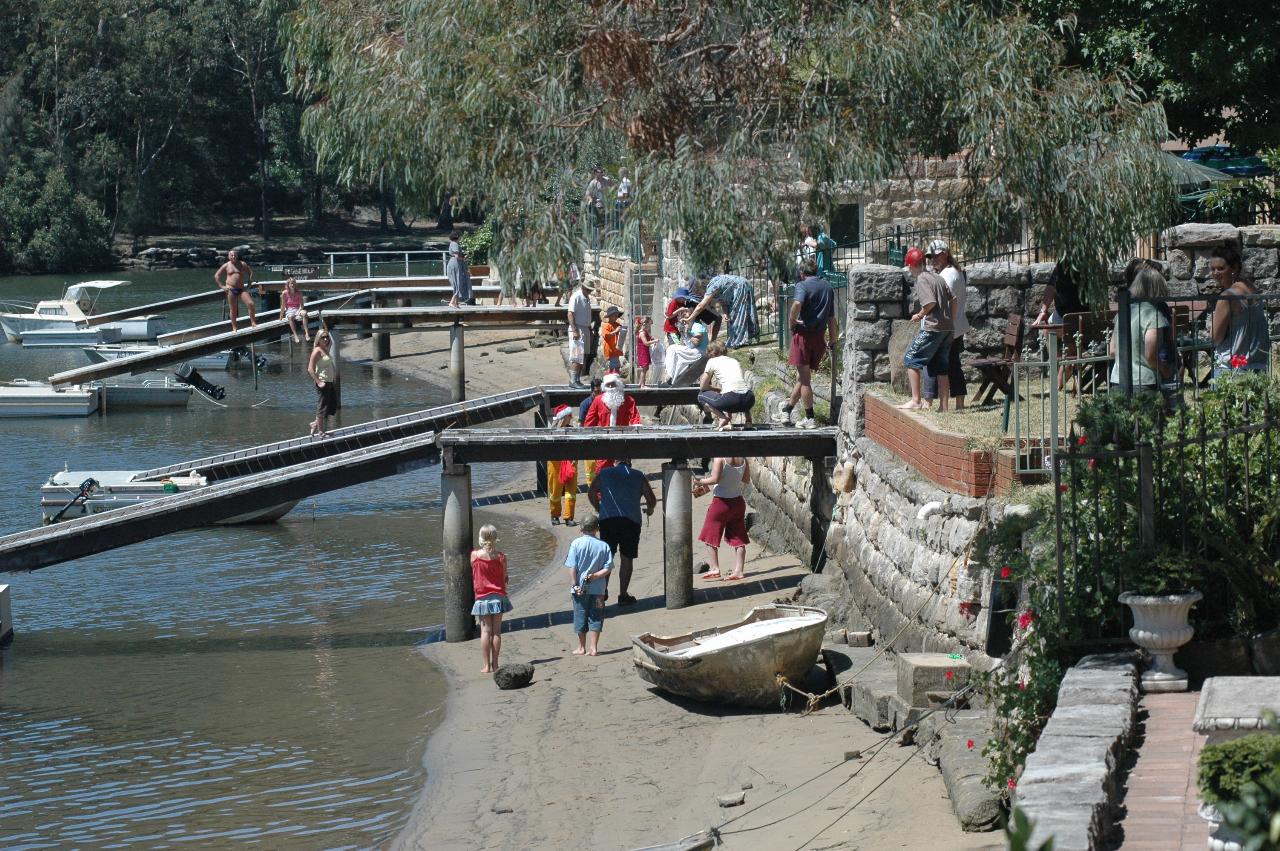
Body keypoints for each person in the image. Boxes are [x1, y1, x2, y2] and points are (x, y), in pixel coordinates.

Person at [773, 257, 838, 428]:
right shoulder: (828, 287)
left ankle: (810, 418)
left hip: (803, 336)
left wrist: (791, 321)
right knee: (802, 378)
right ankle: (787, 409)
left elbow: (796, 304)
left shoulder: (801, 285)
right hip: (819, 337)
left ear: (802, 273)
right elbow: (831, 317)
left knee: (805, 380)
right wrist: (833, 339)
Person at [588, 459, 657, 606]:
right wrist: (649, 511)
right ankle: (623, 594)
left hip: (608, 521)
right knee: (627, 558)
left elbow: (592, 492)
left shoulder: (604, 473)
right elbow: (651, 499)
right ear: (629, 462)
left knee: (607, 557)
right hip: (630, 521)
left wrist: (599, 509)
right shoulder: (638, 475)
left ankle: (603, 591)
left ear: (615, 462)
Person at [899, 247, 954, 411]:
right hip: (947, 328)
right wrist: (950, 318)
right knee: (941, 367)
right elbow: (953, 299)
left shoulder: (922, 279)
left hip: (933, 327)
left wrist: (920, 314)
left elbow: (930, 303)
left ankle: (916, 401)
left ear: (910, 266)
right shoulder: (937, 277)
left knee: (911, 359)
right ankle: (944, 407)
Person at [1209, 244, 1269, 379]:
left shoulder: (1227, 297)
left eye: (1220, 268)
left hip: (1231, 370)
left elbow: (1215, 338)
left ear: (1234, 268)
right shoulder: (1252, 289)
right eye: (1212, 269)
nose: (1215, 273)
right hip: (1258, 366)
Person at [1108, 266, 1170, 393]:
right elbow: (1150, 355)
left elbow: (1112, 350)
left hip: (1118, 379)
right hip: (1144, 381)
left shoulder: (1122, 313)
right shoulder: (1154, 315)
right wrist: (1165, 369)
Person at [923, 239, 967, 409]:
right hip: (953, 327)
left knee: (933, 364)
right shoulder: (954, 272)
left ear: (945, 254)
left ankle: (930, 402)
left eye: (936, 256)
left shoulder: (947, 275)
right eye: (931, 257)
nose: (933, 260)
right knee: (953, 365)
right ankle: (958, 403)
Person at [694, 456, 751, 581]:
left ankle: (715, 568)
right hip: (737, 501)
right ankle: (739, 571)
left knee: (709, 536)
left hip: (721, 502)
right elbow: (746, 479)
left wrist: (700, 481)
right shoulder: (743, 459)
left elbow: (715, 479)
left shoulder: (720, 458)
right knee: (739, 538)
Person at [565, 514, 612, 656]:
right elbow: (608, 567)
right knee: (596, 616)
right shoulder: (603, 546)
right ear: (597, 528)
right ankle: (594, 647)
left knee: (580, 615)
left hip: (580, 588)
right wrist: (596, 576)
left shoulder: (576, 544)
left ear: (581, 529)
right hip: (598, 589)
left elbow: (572, 566)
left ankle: (581, 647)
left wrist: (574, 585)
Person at [470, 524, 512, 673]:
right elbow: (504, 577)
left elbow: (473, 571)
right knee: (496, 632)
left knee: (485, 632)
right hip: (498, 597)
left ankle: (486, 665)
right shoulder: (501, 557)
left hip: (482, 598)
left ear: (481, 538)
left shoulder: (474, 555)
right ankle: (495, 664)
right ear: (495, 538)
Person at [688, 273, 759, 348]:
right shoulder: (714, 283)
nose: (701, 295)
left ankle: (737, 341)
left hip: (740, 287)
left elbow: (701, 306)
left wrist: (690, 318)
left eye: (699, 292)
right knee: (740, 313)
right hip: (743, 284)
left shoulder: (711, 287)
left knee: (737, 315)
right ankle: (739, 339)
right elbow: (723, 298)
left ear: (701, 287)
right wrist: (725, 312)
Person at [698, 340, 755, 430]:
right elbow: (736, 388)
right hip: (749, 399)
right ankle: (748, 421)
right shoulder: (734, 361)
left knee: (701, 394)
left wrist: (716, 389)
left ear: (711, 353)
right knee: (736, 392)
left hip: (731, 400)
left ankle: (723, 417)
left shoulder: (712, 361)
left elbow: (703, 386)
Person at [547, 405, 578, 527]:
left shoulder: (573, 429)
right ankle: (554, 515)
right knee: (555, 489)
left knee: (571, 490)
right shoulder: (552, 430)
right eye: (569, 416)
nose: (571, 418)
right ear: (563, 417)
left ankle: (569, 516)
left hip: (570, 461)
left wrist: (574, 459)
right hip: (555, 462)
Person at [662, 307, 710, 386]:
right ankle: (673, 381)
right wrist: (682, 332)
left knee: (672, 349)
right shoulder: (689, 325)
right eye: (683, 315)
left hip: (699, 352)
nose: (684, 317)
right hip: (693, 351)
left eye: (686, 315)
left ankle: (669, 377)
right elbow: (684, 344)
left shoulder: (697, 325)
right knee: (678, 359)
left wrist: (687, 332)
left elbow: (696, 343)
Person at [214, 248, 258, 331]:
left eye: (235, 255)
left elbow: (250, 272)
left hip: (241, 288)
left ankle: (253, 322)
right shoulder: (226, 265)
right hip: (231, 289)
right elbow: (217, 276)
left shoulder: (242, 264)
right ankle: (234, 327)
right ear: (229, 256)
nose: (233, 256)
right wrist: (222, 286)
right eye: (232, 255)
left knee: (251, 304)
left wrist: (249, 283)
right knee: (233, 309)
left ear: (237, 256)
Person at [307, 329, 337, 437]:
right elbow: (310, 369)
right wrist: (318, 381)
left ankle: (315, 424)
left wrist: (326, 326)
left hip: (330, 382)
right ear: (318, 339)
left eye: (327, 337)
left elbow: (331, 342)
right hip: (323, 382)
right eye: (323, 337)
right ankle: (320, 432)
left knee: (331, 406)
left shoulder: (325, 349)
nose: (325, 339)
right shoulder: (317, 351)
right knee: (322, 406)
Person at [566, 280, 594, 387]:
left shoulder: (587, 298)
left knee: (583, 355)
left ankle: (577, 379)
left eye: (590, 290)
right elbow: (570, 313)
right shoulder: (576, 296)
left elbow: (586, 315)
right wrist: (574, 330)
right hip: (578, 328)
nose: (589, 291)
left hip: (585, 328)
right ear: (583, 287)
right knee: (576, 355)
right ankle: (573, 380)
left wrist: (590, 330)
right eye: (588, 289)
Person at [279, 277, 310, 344]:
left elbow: (302, 305)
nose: (292, 285)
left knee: (304, 313)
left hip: (297, 309)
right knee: (290, 317)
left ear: (295, 284)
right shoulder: (284, 293)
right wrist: (281, 317)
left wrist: (298, 311)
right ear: (288, 285)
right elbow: (283, 305)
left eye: (293, 283)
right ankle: (295, 335)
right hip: (289, 310)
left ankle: (307, 333)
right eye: (291, 284)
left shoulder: (299, 293)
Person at [447, 242, 473, 308]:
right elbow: (457, 256)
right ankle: (452, 302)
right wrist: (464, 258)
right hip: (456, 265)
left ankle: (456, 303)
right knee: (458, 285)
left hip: (457, 265)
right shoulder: (454, 244)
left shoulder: (453, 244)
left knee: (459, 285)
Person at [600, 306, 625, 372]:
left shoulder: (617, 325)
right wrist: (616, 331)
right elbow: (606, 335)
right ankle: (613, 380)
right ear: (610, 316)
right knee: (615, 367)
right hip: (610, 350)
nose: (616, 317)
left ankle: (612, 380)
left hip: (616, 349)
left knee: (614, 368)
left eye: (617, 315)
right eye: (615, 315)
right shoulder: (606, 325)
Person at [634, 316, 655, 387]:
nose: (650, 326)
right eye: (649, 324)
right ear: (645, 324)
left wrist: (651, 339)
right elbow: (645, 343)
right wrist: (654, 341)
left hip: (645, 351)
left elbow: (648, 339)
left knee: (646, 367)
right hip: (643, 352)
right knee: (645, 368)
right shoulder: (642, 333)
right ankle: (642, 385)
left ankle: (640, 383)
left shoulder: (645, 331)